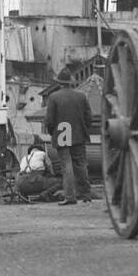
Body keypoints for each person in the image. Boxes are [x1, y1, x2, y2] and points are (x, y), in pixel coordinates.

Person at [44, 68, 93, 205]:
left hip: (61, 135)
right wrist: (84, 129)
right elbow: (89, 117)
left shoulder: (54, 97)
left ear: (59, 83)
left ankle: (70, 196)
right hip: (78, 135)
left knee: (66, 166)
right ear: (70, 82)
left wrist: (52, 132)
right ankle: (86, 194)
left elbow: (49, 120)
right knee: (81, 164)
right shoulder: (81, 96)